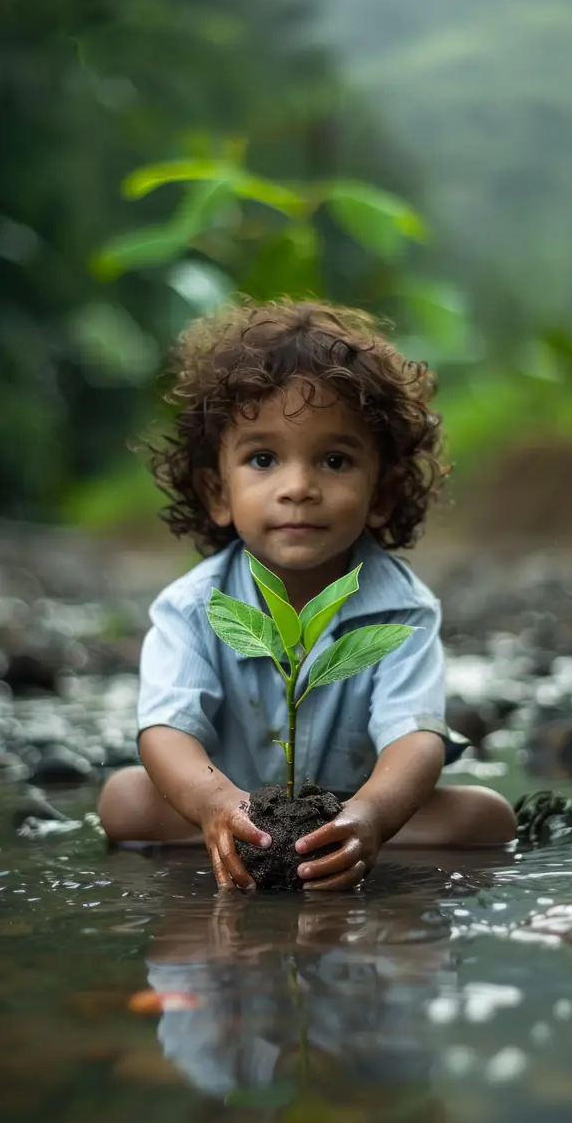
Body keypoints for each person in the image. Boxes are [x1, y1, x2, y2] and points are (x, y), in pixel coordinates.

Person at [98, 298, 516, 889]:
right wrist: (214, 803)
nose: (298, 488)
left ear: (383, 494)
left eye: (335, 460)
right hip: (229, 802)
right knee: (124, 800)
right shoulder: (193, 606)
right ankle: (238, 842)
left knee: (486, 818)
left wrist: (370, 816)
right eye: (263, 458)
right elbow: (167, 731)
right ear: (218, 491)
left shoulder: (401, 607)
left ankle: (334, 848)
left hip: (348, 807)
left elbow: (415, 737)